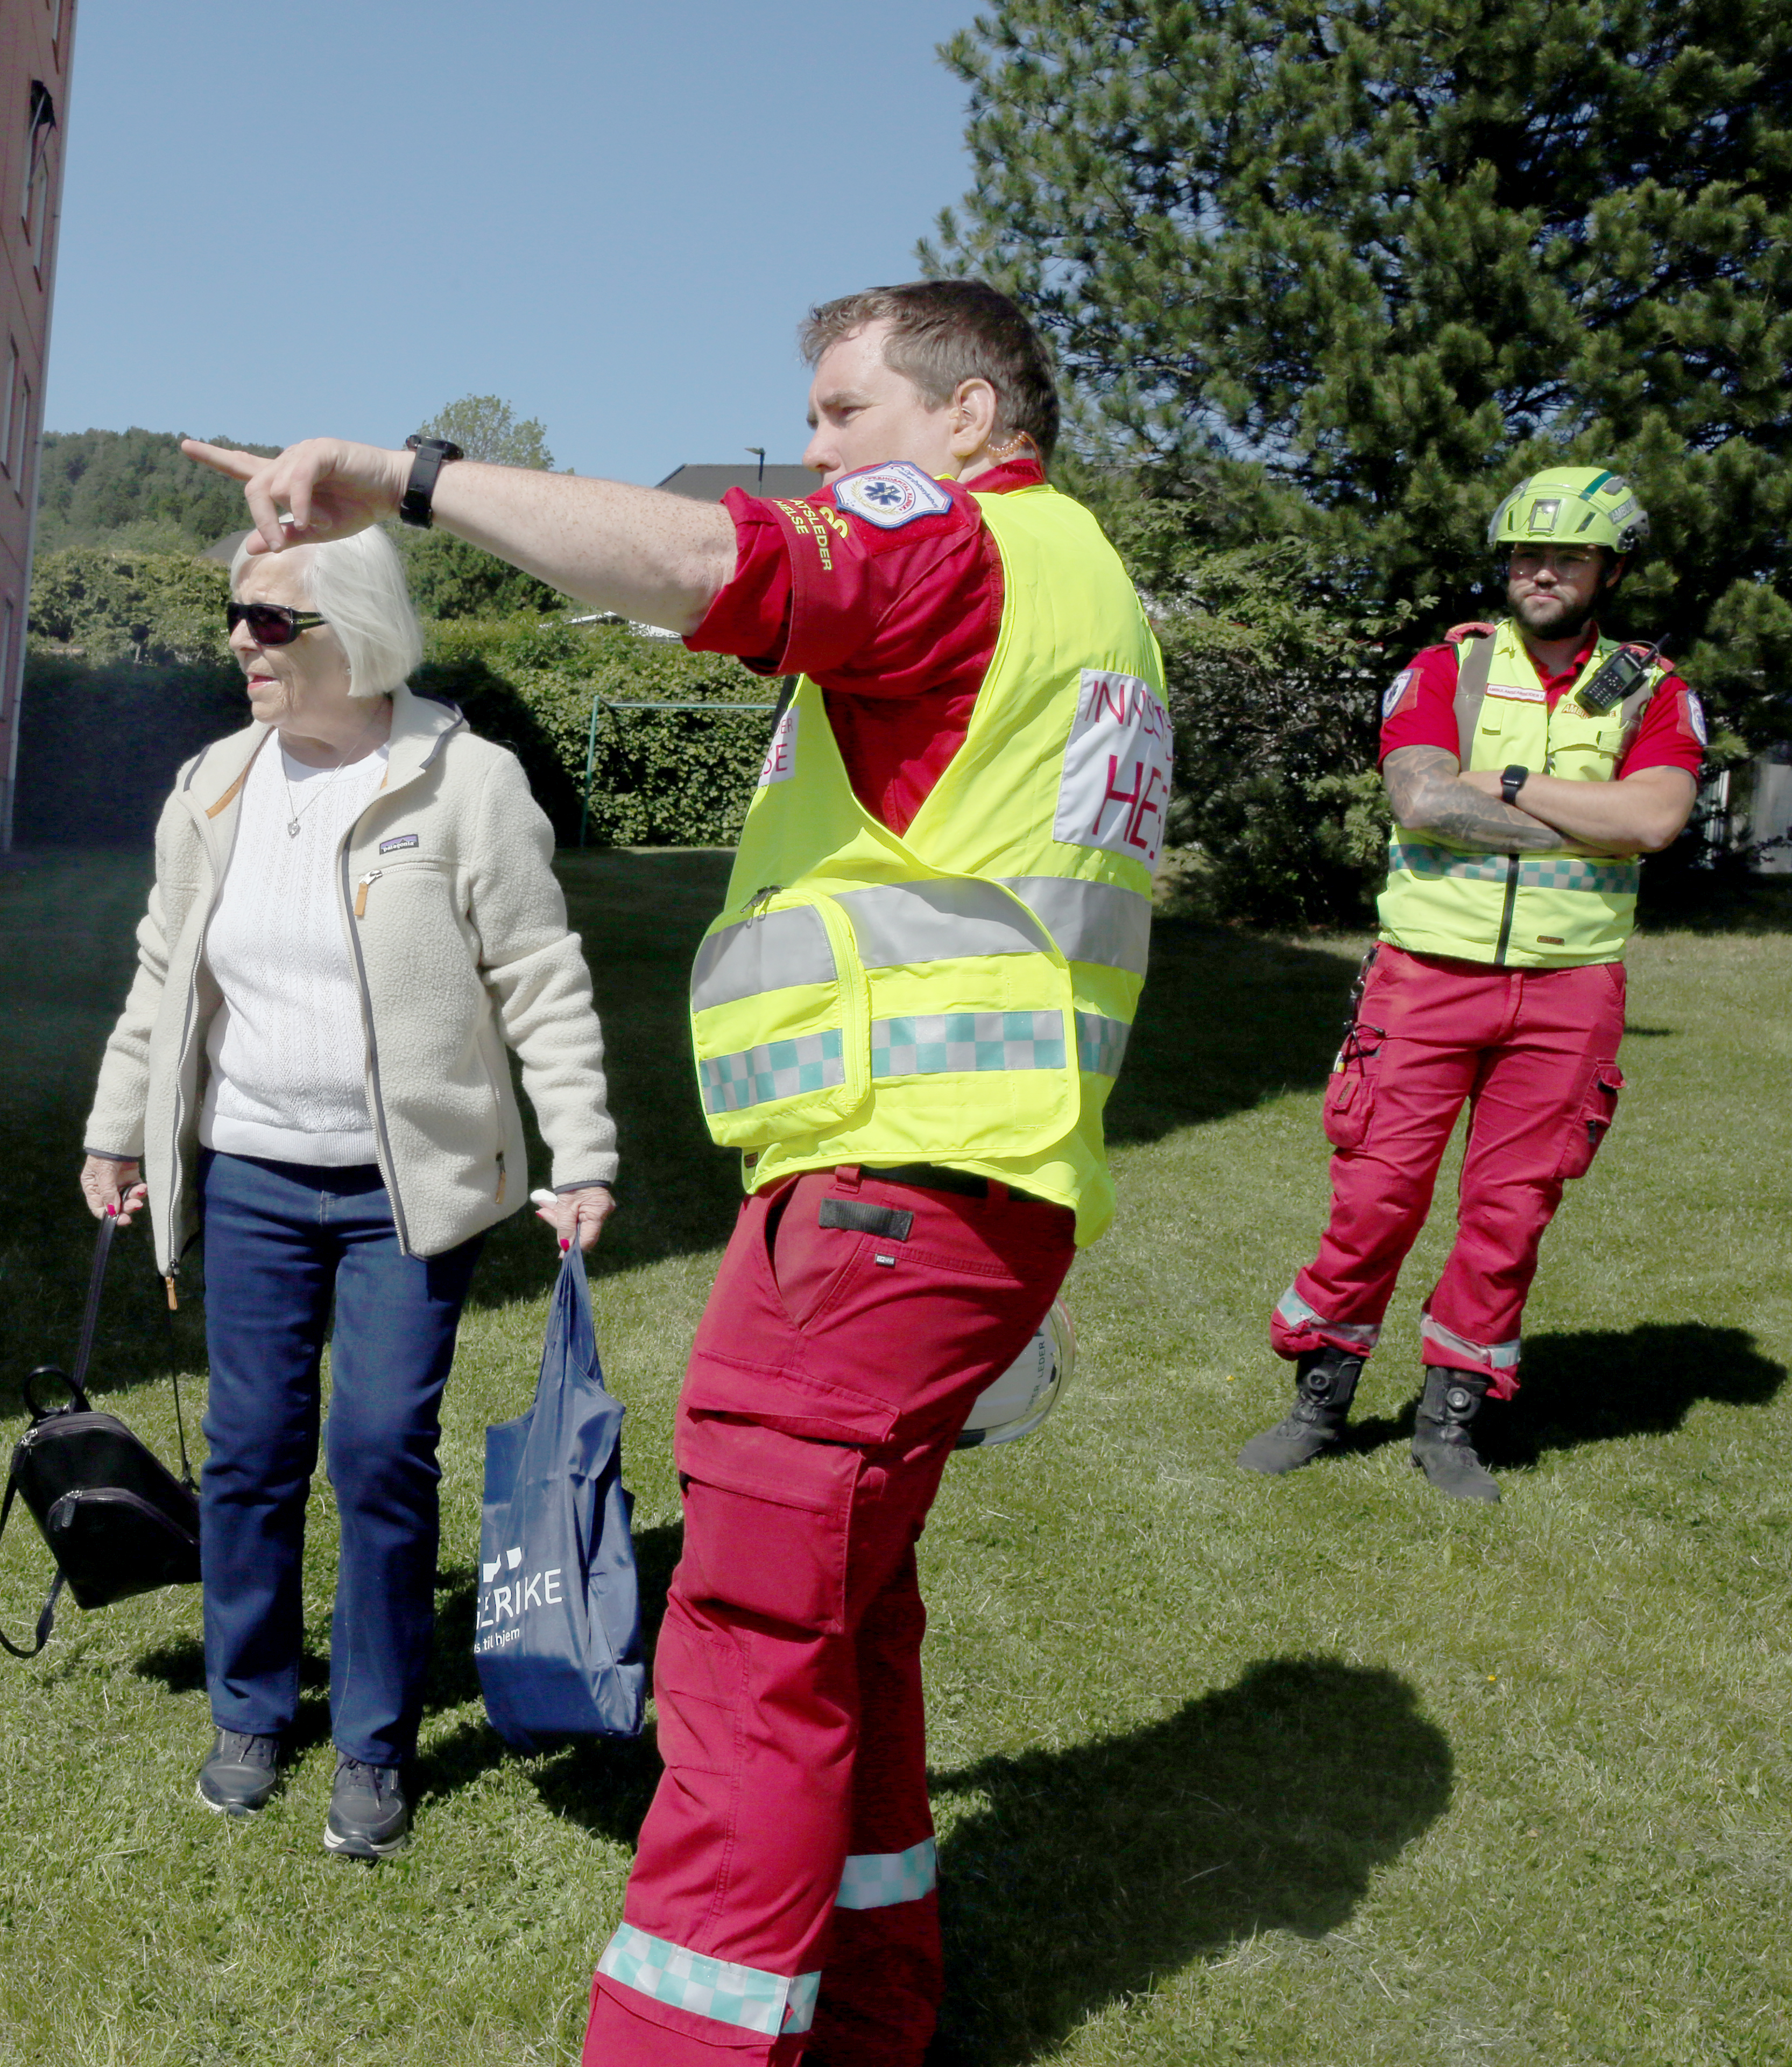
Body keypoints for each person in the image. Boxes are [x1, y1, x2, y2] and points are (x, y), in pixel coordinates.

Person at [189, 279, 1163, 2063]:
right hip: (980, 1187)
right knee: (851, 1631)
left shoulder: (954, 542)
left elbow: (705, 564)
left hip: (889, 1195)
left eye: (847, 412)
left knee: (746, 1652)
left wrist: (407, 478)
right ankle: (876, 2013)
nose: (817, 450)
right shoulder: (1094, 587)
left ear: (967, 419)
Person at [77, 525, 619, 1862]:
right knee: (254, 1454)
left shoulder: (469, 782)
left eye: (270, 622)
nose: (241, 644)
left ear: (354, 635)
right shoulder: (213, 783)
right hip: (255, 1170)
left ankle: (377, 1739)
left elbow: (539, 976)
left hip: (404, 1189)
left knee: (379, 1451)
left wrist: (582, 1149)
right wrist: (119, 1129)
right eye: (238, 620)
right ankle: (251, 1707)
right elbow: (163, 975)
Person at [1245, 467, 1705, 1499]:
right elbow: (1421, 801)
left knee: (1510, 1212)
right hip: (1426, 975)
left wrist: (1494, 783)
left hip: (1568, 989)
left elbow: (1658, 822)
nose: (1542, 573)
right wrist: (1593, 810)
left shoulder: (1655, 688)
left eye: (1570, 556)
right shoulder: (1443, 666)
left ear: (1610, 569)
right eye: (1527, 555)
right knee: (1375, 1199)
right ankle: (1321, 1398)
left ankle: (1452, 1418)